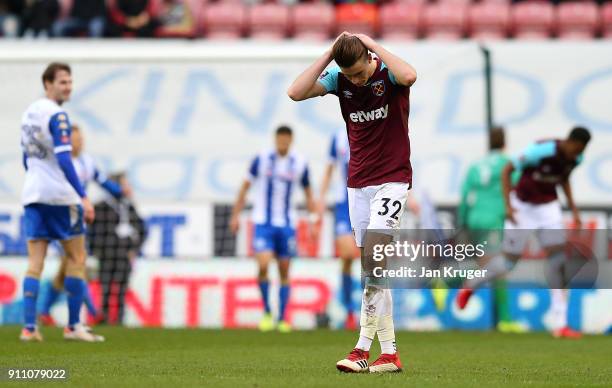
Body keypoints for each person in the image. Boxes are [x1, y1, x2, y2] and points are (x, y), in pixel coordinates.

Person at [288, 32, 417, 373]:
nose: (357, 80)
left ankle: (361, 349)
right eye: (350, 76)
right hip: (357, 185)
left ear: (369, 59)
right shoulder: (339, 79)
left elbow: (409, 76)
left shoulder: (386, 73)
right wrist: (330, 53)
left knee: (373, 261)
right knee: (373, 270)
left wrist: (372, 45)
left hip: (392, 180)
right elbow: (295, 92)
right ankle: (389, 354)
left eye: (360, 73)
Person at [456, 126, 592, 339]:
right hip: (523, 206)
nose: (578, 154)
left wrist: (574, 209)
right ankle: (471, 284)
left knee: (558, 260)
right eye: (577, 149)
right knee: (509, 263)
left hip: (548, 207)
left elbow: (563, 178)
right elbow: (508, 170)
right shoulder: (542, 150)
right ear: (571, 142)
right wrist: (508, 205)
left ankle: (561, 324)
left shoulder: (576, 158)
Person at [20, 62, 103, 342]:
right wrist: (83, 195)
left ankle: (29, 329)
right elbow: (66, 159)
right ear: (47, 84)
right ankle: (73, 327)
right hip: (60, 197)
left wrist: (36, 178)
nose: (68, 87)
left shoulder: (29, 113)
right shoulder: (59, 116)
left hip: (33, 195)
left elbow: (26, 157)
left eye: (70, 82)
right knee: (76, 258)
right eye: (62, 82)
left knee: (35, 263)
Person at [230, 126, 315, 333]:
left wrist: (313, 220)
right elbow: (245, 186)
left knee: (284, 269)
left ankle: (283, 318)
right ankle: (268, 312)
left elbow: (308, 192)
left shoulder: (300, 162)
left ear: (291, 140)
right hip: (263, 223)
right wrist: (235, 214)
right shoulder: (261, 159)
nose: (282, 142)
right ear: (275, 139)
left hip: (287, 224)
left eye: (286, 139)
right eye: (279, 139)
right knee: (263, 265)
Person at [39, 124, 125, 326]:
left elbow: (102, 180)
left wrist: (119, 192)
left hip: (78, 220)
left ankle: (44, 312)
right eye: (76, 139)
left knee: (67, 269)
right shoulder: (61, 163)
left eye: (81, 139)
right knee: (77, 264)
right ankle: (93, 313)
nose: (80, 143)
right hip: (61, 221)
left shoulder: (87, 162)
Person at [456, 127, 525, 333]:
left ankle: (446, 280)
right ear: (505, 142)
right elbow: (517, 189)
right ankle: (504, 319)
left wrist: (463, 222)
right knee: (499, 267)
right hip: (493, 218)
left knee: (484, 266)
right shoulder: (508, 164)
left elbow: (465, 195)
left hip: (474, 218)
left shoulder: (476, 165)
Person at [88, 172, 145, 325]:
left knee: (121, 289)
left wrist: (134, 249)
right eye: (125, 184)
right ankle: (104, 317)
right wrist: (95, 252)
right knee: (105, 288)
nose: (128, 188)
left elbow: (142, 229)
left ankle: (119, 319)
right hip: (105, 255)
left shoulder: (128, 207)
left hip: (124, 255)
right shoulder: (100, 207)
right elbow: (92, 232)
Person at [317, 129, 358, 330]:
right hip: (343, 204)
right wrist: (321, 198)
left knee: (372, 259)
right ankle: (349, 310)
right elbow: (329, 169)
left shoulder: (374, 123)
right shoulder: (338, 137)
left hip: (369, 200)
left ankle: (372, 313)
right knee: (348, 255)